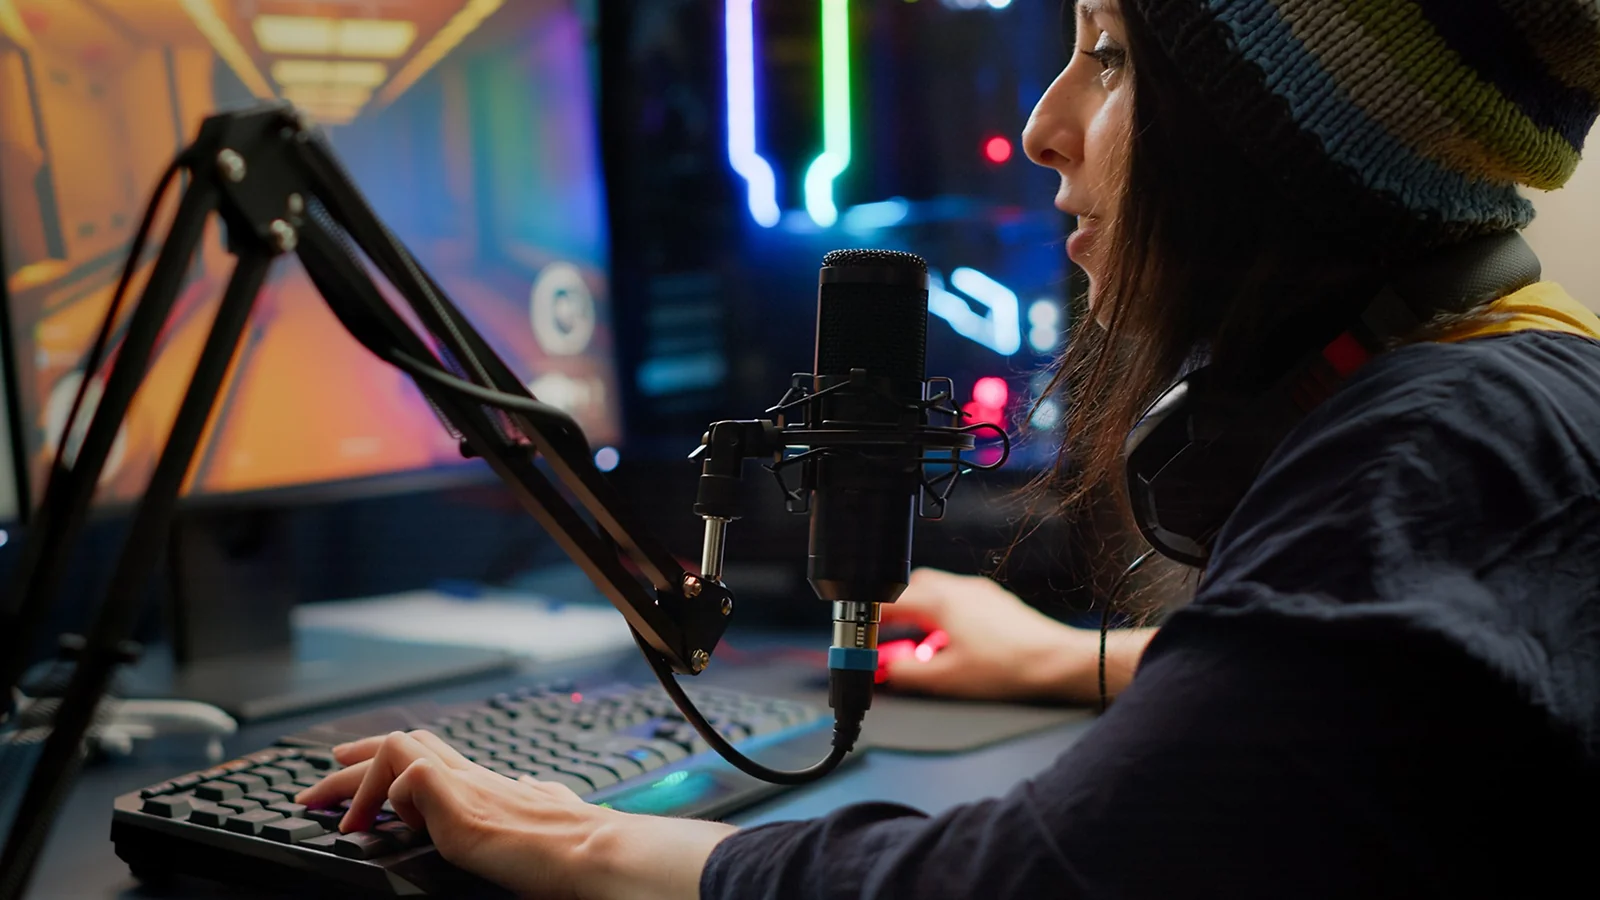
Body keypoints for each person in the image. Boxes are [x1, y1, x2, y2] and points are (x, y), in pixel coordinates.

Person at [298, 0, 1600, 895]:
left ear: (1282, 140)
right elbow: (1385, 685)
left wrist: (580, 845)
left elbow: (1045, 881)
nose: (1043, 124)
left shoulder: (1439, 451)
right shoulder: (1515, 386)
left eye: (1107, 53)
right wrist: (1070, 658)